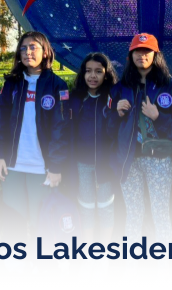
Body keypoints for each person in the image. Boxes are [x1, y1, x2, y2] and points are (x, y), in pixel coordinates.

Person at [109, 33, 172, 242]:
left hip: (159, 159)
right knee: (133, 214)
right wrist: (115, 113)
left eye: (147, 51)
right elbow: (108, 128)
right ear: (130, 55)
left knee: (160, 213)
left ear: (156, 54)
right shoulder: (120, 88)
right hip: (129, 159)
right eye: (137, 50)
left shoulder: (170, 86)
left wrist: (158, 117)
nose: (142, 55)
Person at [0, 31, 69, 238]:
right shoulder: (12, 84)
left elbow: (60, 129)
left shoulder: (57, 85)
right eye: (23, 48)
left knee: (41, 225)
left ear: (46, 52)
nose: (27, 52)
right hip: (13, 167)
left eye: (33, 47)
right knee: (13, 225)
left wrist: (56, 166)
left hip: (41, 169)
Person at [69, 52, 118, 242]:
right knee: (86, 206)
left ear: (106, 74)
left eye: (98, 71)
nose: (92, 76)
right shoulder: (75, 99)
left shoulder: (113, 98)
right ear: (82, 73)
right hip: (82, 164)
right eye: (88, 71)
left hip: (106, 164)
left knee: (106, 207)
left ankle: (104, 250)